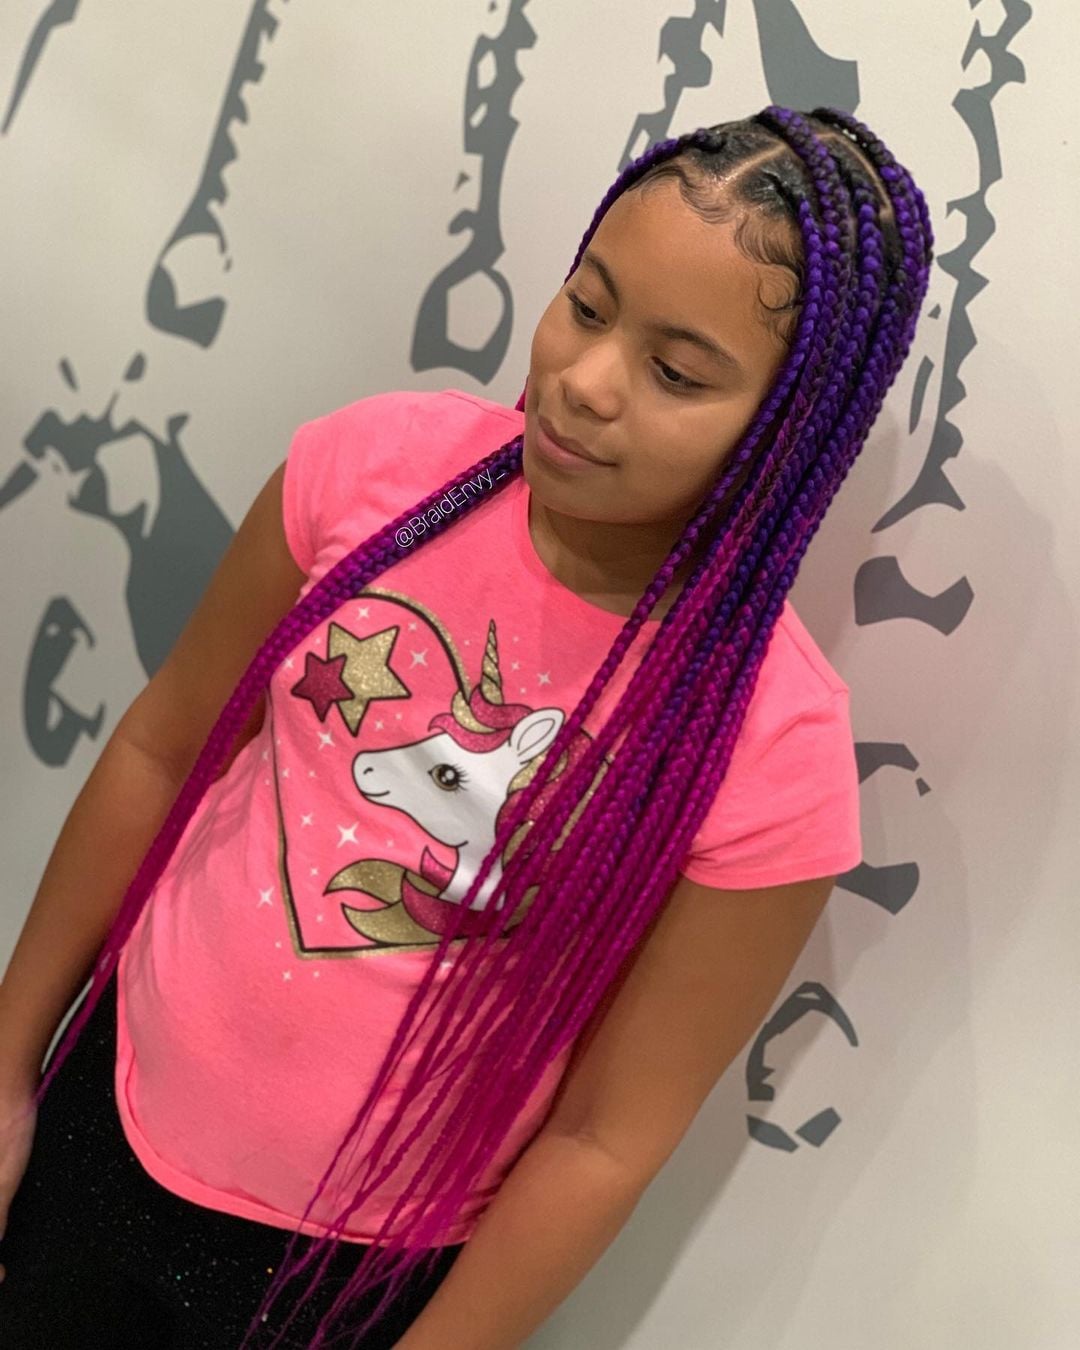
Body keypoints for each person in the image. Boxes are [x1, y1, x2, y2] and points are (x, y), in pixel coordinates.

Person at [0, 105, 932, 1350]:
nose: (584, 381)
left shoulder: (770, 747)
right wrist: (9, 1062)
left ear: (789, 431)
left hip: (340, 1282)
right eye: (587, 305)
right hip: (104, 1113)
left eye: (676, 373)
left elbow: (606, 1137)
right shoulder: (370, 471)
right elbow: (161, 748)